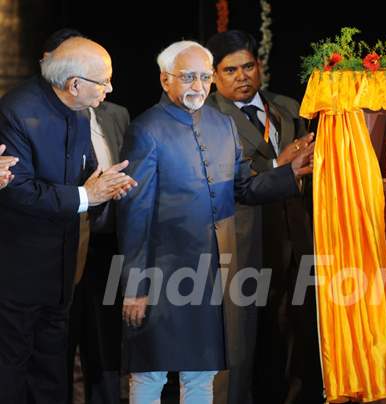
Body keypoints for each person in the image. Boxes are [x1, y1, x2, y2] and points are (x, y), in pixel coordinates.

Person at [117, 40, 313, 404]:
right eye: (188, 77)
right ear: (165, 80)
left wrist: (288, 175)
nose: (198, 86)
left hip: (209, 274)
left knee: (202, 374)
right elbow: (134, 213)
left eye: (204, 77)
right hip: (161, 273)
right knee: (150, 373)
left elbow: (245, 188)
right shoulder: (146, 130)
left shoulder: (222, 125)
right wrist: (135, 286)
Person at [0, 36, 136, 403]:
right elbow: (17, 190)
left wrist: (104, 186)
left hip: (62, 269)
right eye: (104, 81)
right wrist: (86, 195)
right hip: (19, 272)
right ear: (75, 84)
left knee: (52, 368)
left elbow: (84, 172)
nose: (110, 88)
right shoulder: (16, 111)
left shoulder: (77, 112)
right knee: (12, 368)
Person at [205, 30, 323, 404]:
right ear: (213, 76)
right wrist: (278, 163)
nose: (241, 76)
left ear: (259, 67)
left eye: (247, 67)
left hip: (296, 238)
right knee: (245, 340)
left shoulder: (287, 107)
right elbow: (223, 179)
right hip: (243, 241)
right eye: (230, 70)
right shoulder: (207, 118)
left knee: (297, 334)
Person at [38, 28, 130, 404]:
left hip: (108, 242)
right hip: (60, 243)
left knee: (106, 342)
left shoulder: (116, 114)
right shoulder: (36, 118)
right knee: (59, 340)